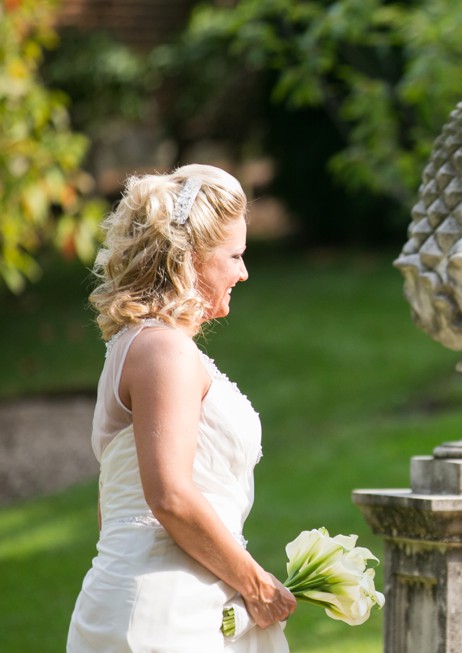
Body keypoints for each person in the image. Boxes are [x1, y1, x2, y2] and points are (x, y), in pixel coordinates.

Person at [67, 164, 296, 652]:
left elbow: (114, 509)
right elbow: (168, 495)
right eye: (234, 256)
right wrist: (256, 585)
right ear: (190, 258)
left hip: (176, 597)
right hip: (165, 610)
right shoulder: (163, 351)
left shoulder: (143, 346)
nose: (243, 271)